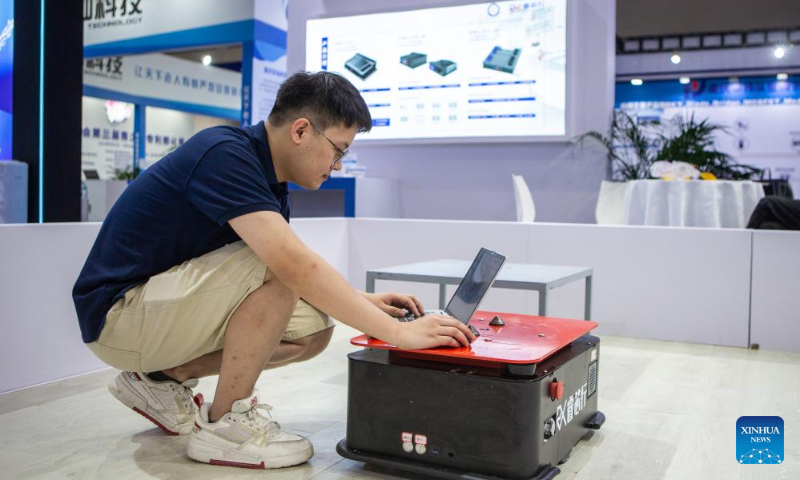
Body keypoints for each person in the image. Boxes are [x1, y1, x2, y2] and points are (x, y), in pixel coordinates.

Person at [72, 71, 474, 470]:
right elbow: (290, 265)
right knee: (281, 269)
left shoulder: (269, 181)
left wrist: (364, 302)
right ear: (301, 130)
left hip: (157, 313)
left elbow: (267, 277)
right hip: (117, 315)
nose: (336, 165)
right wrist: (401, 334)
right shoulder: (224, 155)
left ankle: (161, 378)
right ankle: (225, 426)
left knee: (313, 331)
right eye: (338, 150)